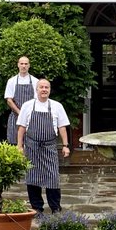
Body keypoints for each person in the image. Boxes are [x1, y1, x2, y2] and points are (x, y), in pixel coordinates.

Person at [16, 78, 71, 213]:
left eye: (47, 87)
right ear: (37, 89)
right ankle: (37, 208)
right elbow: (22, 127)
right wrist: (19, 145)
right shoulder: (27, 106)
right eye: (41, 87)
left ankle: (55, 208)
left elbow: (62, 127)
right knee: (32, 177)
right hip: (32, 147)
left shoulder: (57, 106)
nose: (44, 90)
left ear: (50, 90)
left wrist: (65, 145)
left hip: (50, 147)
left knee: (53, 178)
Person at [5, 56, 35, 142]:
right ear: (18, 65)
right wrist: (20, 113)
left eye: (26, 64)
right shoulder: (11, 81)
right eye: (21, 63)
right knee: (15, 143)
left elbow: (36, 100)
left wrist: (27, 114)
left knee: (31, 143)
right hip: (15, 117)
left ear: (29, 65)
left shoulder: (35, 81)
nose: (24, 66)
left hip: (31, 118)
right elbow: (9, 100)